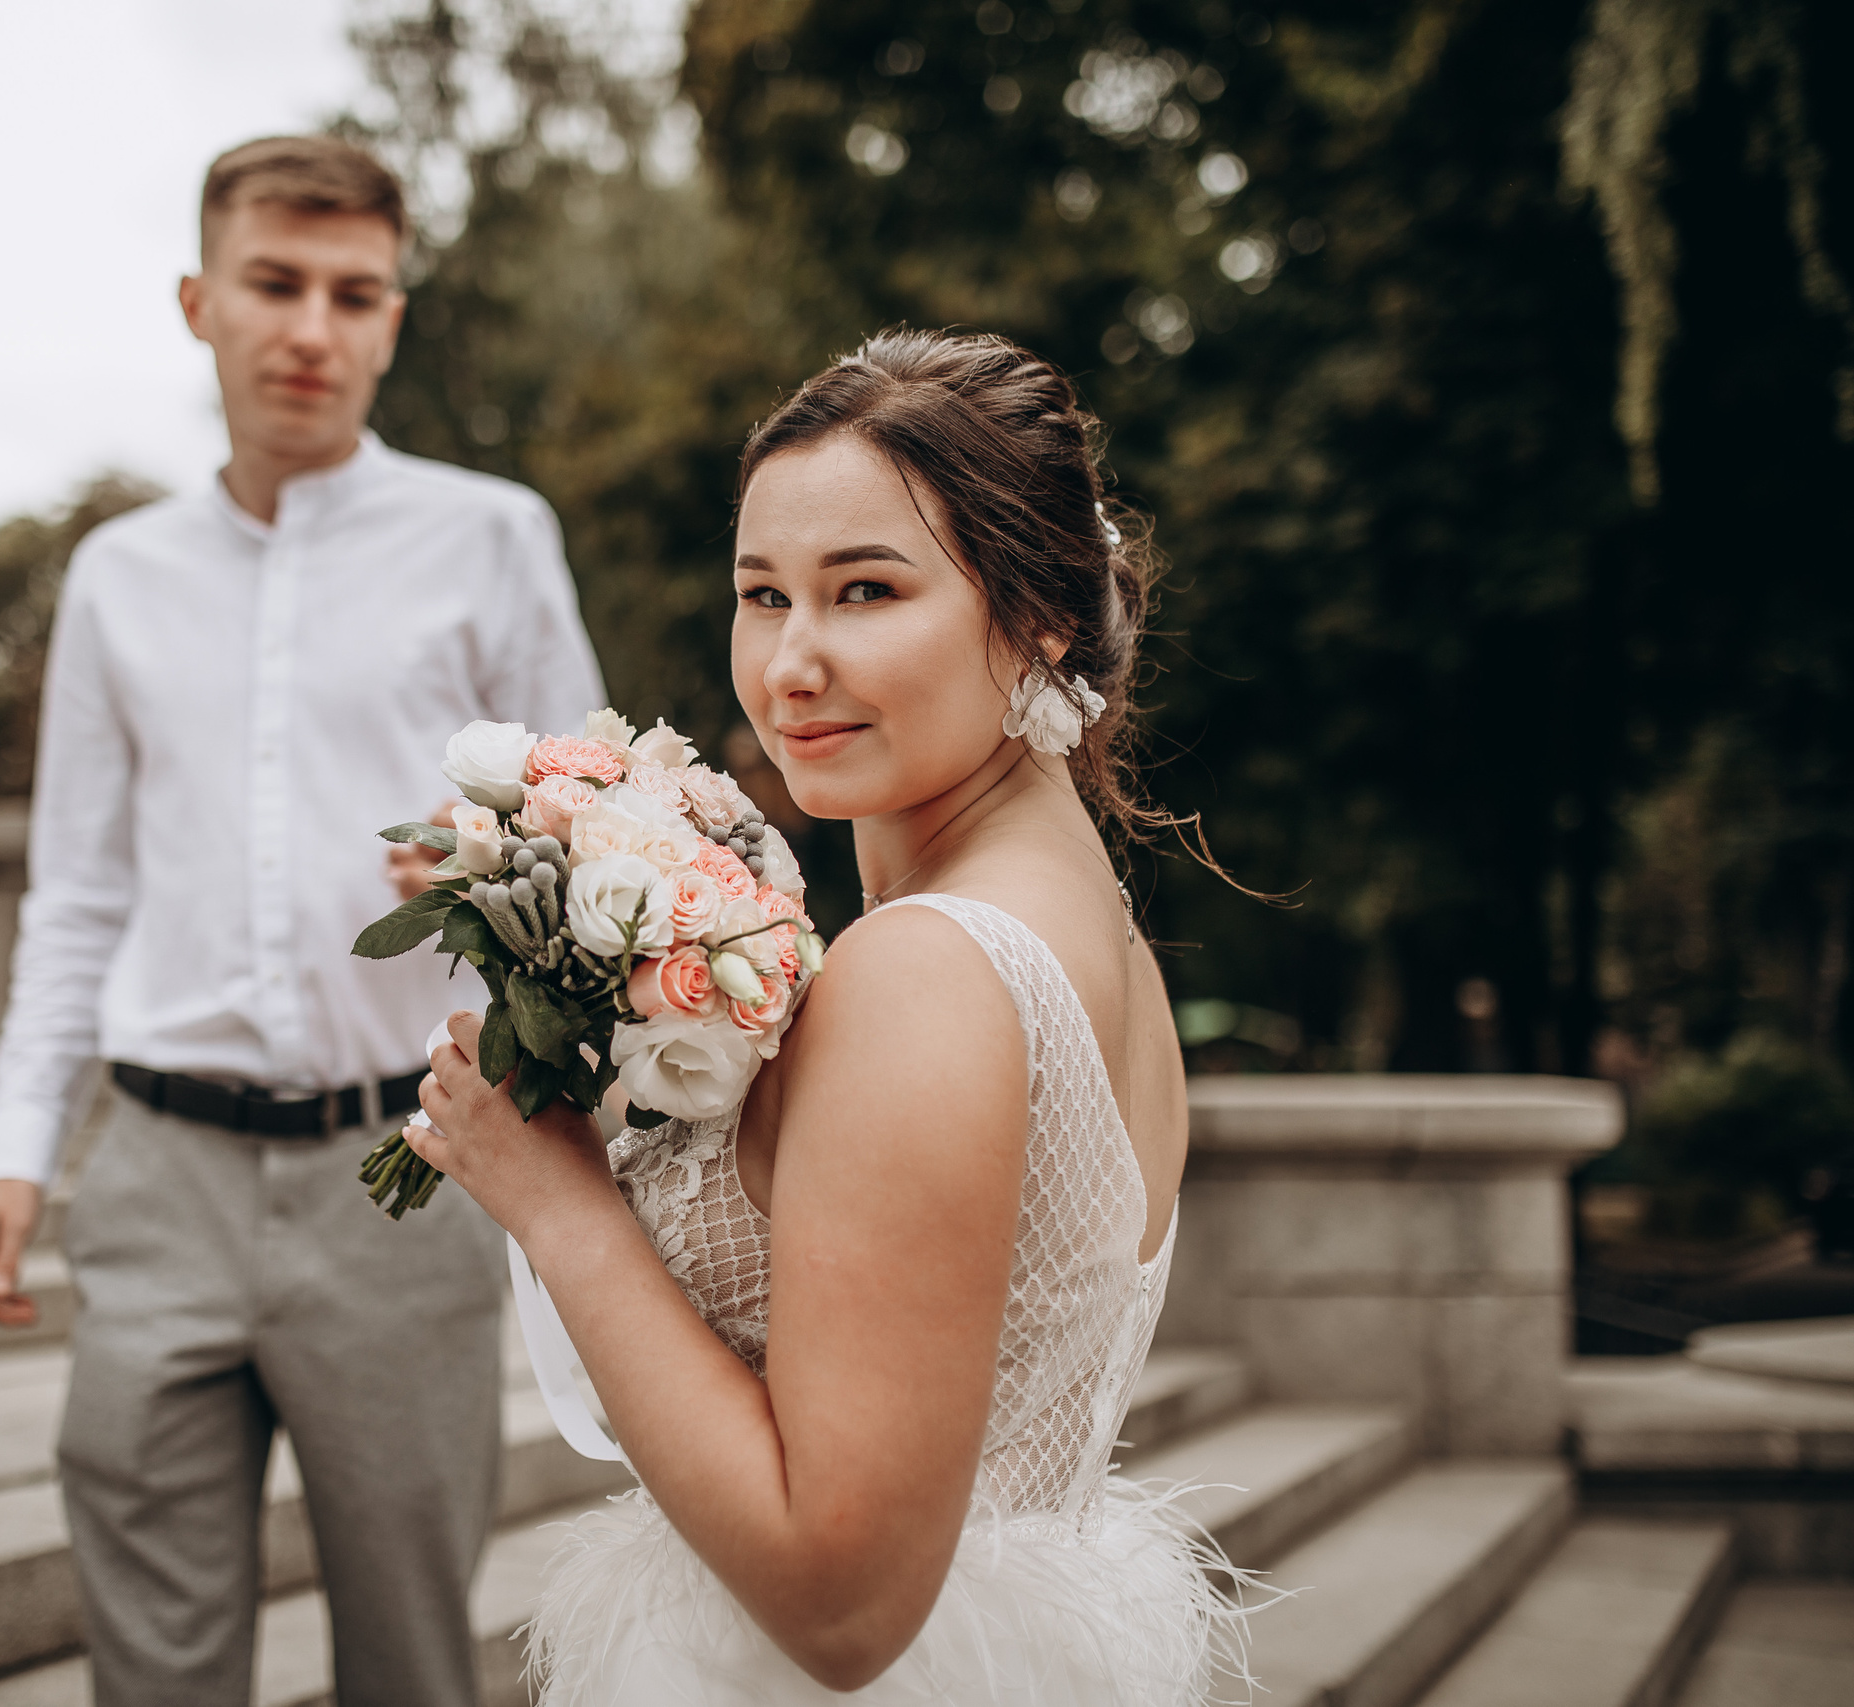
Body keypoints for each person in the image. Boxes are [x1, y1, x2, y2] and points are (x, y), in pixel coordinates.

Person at [401, 329, 1250, 1704]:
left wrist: (559, 1203)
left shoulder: (925, 972)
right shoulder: (1093, 937)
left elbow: (843, 1604)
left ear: (1038, 614)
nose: (791, 662)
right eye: (763, 595)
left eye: (866, 590)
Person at [0, 135, 605, 1707]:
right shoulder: (116, 577)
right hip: (156, 1183)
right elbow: (78, 890)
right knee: (152, 1666)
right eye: (275, 283)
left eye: (353, 294)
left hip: (404, 1176)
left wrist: (492, 865)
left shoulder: (492, 536)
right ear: (201, 302)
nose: (312, 327)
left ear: (392, 321)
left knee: (411, 1661)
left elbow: (592, 828)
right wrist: (17, 1148)